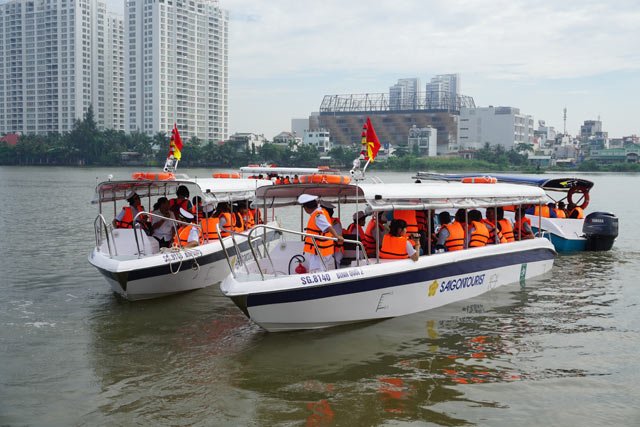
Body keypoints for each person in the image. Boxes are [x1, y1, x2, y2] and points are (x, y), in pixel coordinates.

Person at [299, 194, 343, 272]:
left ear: (306, 208)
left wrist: (337, 237)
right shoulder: (320, 212)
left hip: (319, 252)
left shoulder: (318, 215)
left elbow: (328, 226)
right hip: (321, 251)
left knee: (316, 270)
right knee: (320, 269)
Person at [321, 201, 344, 267]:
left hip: (335, 249)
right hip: (324, 248)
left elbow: (337, 236)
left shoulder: (335, 223)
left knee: (335, 263)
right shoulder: (321, 221)